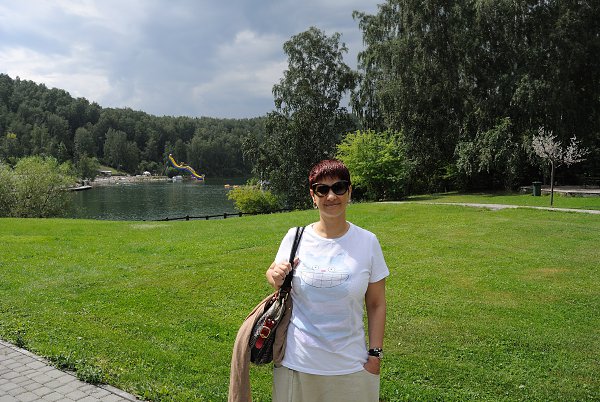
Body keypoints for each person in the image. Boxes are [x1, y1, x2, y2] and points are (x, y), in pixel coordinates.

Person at [266, 159, 389, 402]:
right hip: (297, 364)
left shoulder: (367, 242)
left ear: (349, 191)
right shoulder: (295, 237)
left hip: (351, 367)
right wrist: (275, 276)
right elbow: (273, 273)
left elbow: (376, 303)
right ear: (313, 196)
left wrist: (375, 355)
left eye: (339, 187)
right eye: (322, 189)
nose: (331, 196)